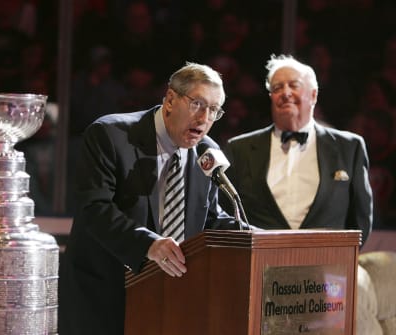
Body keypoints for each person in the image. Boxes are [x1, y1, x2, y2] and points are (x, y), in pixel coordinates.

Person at [58, 62, 248, 335]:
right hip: (103, 299)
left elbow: (209, 218)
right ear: (170, 99)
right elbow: (94, 209)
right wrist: (148, 244)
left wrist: (255, 237)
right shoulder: (110, 135)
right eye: (198, 104)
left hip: (167, 301)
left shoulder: (207, 152)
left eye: (214, 111)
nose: (205, 118)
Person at [222, 54, 373, 245]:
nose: (285, 93)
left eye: (294, 85)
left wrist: (341, 263)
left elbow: (361, 219)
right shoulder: (239, 149)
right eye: (277, 88)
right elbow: (225, 214)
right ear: (271, 97)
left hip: (327, 267)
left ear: (313, 95)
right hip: (259, 265)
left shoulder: (350, 147)